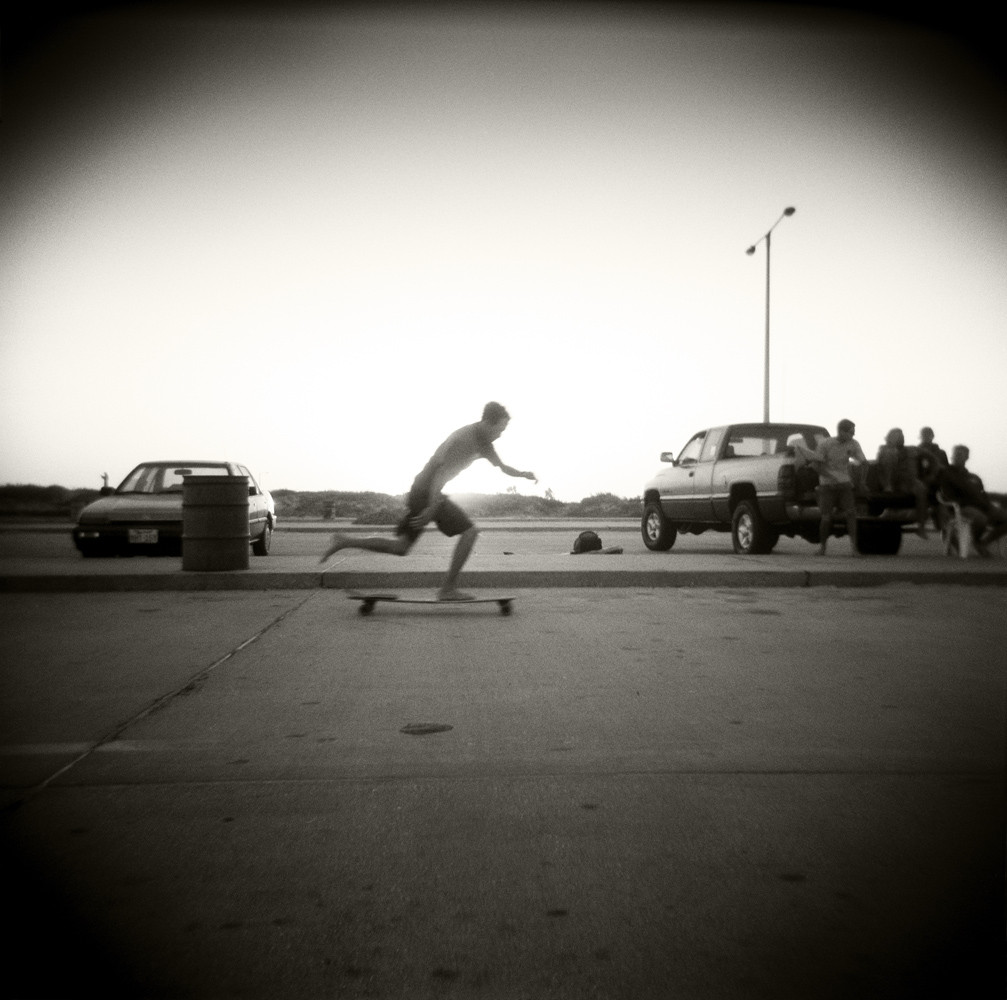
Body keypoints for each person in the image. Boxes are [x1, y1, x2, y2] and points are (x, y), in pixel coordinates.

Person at [319, 402, 537, 599]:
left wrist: (523, 474)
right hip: (427, 491)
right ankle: (447, 589)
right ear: (487, 423)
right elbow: (439, 473)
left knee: (402, 547)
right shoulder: (466, 440)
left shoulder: (484, 442)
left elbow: (501, 466)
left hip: (423, 490)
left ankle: (344, 541)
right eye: (499, 429)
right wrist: (432, 507)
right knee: (470, 533)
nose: (500, 434)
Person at [793, 418, 868, 555]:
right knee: (826, 517)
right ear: (841, 431)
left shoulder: (853, 444)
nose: (853, 435)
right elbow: (816, 465)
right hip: (827, 485)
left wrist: (862, 481)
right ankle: (823, 547)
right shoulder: (826, 444)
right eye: (850, 432)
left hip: (845, 484)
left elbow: (863, 462)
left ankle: (854, 548)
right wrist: (831, 477)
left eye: (853, 432)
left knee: (851, 513)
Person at [937, 445, 1007, 557]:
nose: (956, 457)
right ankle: (976, 541)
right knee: (981, 519)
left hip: (983, 506)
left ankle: (983, 543)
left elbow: (982, 493)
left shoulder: (974, 477)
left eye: (960, 454)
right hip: (962, 507)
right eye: (955, 454)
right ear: (952, 456)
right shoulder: (946, 474)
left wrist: (987, 504)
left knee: (1005, 518)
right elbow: (946, 495)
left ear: (967, 457)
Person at [875, 427, 928, 537]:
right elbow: (880, 469)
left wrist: (930, 475)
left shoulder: (912, 449)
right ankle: (890, 508)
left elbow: (932, 459)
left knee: (921, 488)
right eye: (897, 436)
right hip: (893, 482)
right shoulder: (885, 451)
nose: (901, 438)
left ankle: (921, 527)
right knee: (890, 453)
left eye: (902, 436)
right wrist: (886, 484)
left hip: (910, 482)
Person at [916, 426, 949, 528]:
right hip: (923, 482)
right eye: (924, 435)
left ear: (932, 436)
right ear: (920, 437)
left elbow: (946, 469)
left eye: (928, 434)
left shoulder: (941, 453)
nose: (926, 437)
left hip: (938, 483)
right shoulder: (916, 451)